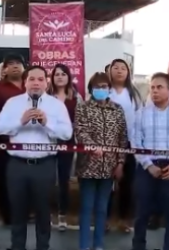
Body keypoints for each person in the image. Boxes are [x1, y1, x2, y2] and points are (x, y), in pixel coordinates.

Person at [0, 65, 72, 250]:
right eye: (31, 79)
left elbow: (67, 134)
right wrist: (20, 121)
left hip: (44, 165)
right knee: (18, 211)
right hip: (17, 165)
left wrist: (47, 122)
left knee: (43, 212)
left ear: (46, 82)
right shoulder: (13, 103)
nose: (36, 83)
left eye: (40, 79)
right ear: (25, 82)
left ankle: (42, 246)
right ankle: (17, 246)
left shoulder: (56, 105)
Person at [131, 73, 169, 250]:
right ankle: (138, 245)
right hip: (147, 168)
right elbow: (135, 143)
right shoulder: (140, 114)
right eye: (152, 87)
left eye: (159, 87)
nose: (155, 91)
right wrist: (148, 165)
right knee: (142, 212)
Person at [75, 72, 127, 250]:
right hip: (88, 166)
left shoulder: (117, 109)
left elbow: (122, 138)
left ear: (109, 89)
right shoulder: (83, 107)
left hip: (109, 167)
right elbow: (80, 131)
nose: (101, 90)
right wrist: (92, 146)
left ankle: (98, 245)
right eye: (97, 87)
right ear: (91, 89)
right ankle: (84, 245)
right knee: (86, 208)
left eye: (104, 86)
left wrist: (120, 163)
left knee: (102, 209)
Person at [0, 54, 27, 225]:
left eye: (18, 64)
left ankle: (23, 212)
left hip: (27, 140)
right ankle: (7, 214)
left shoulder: (31, 84)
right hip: (3, 139)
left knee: (24, 178)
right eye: (10, 64)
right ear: (4, 69)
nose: (14, 67)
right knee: (4, 177)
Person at [106, 58, 142, 232]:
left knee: (127, 184)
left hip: (129, 143)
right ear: (110, 71)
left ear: (128, 73)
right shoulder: (104, 91)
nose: (119, 71)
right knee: (106, 184)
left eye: (123, 68)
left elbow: (139, 119)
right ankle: (104, 220)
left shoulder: (133, 93)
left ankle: (124, 220)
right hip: (107, 144)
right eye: (116, 68)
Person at [46, 63, 81, 230]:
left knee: (64, 179)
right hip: (47, 142)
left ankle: (62, 216)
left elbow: (81, 121)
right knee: (47, 179)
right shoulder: (45, 96)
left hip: (67, 142)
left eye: (63, 74)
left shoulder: (76, 97)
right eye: (57, 74)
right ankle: (45, 214)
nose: (60, 76)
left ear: (69, 77)